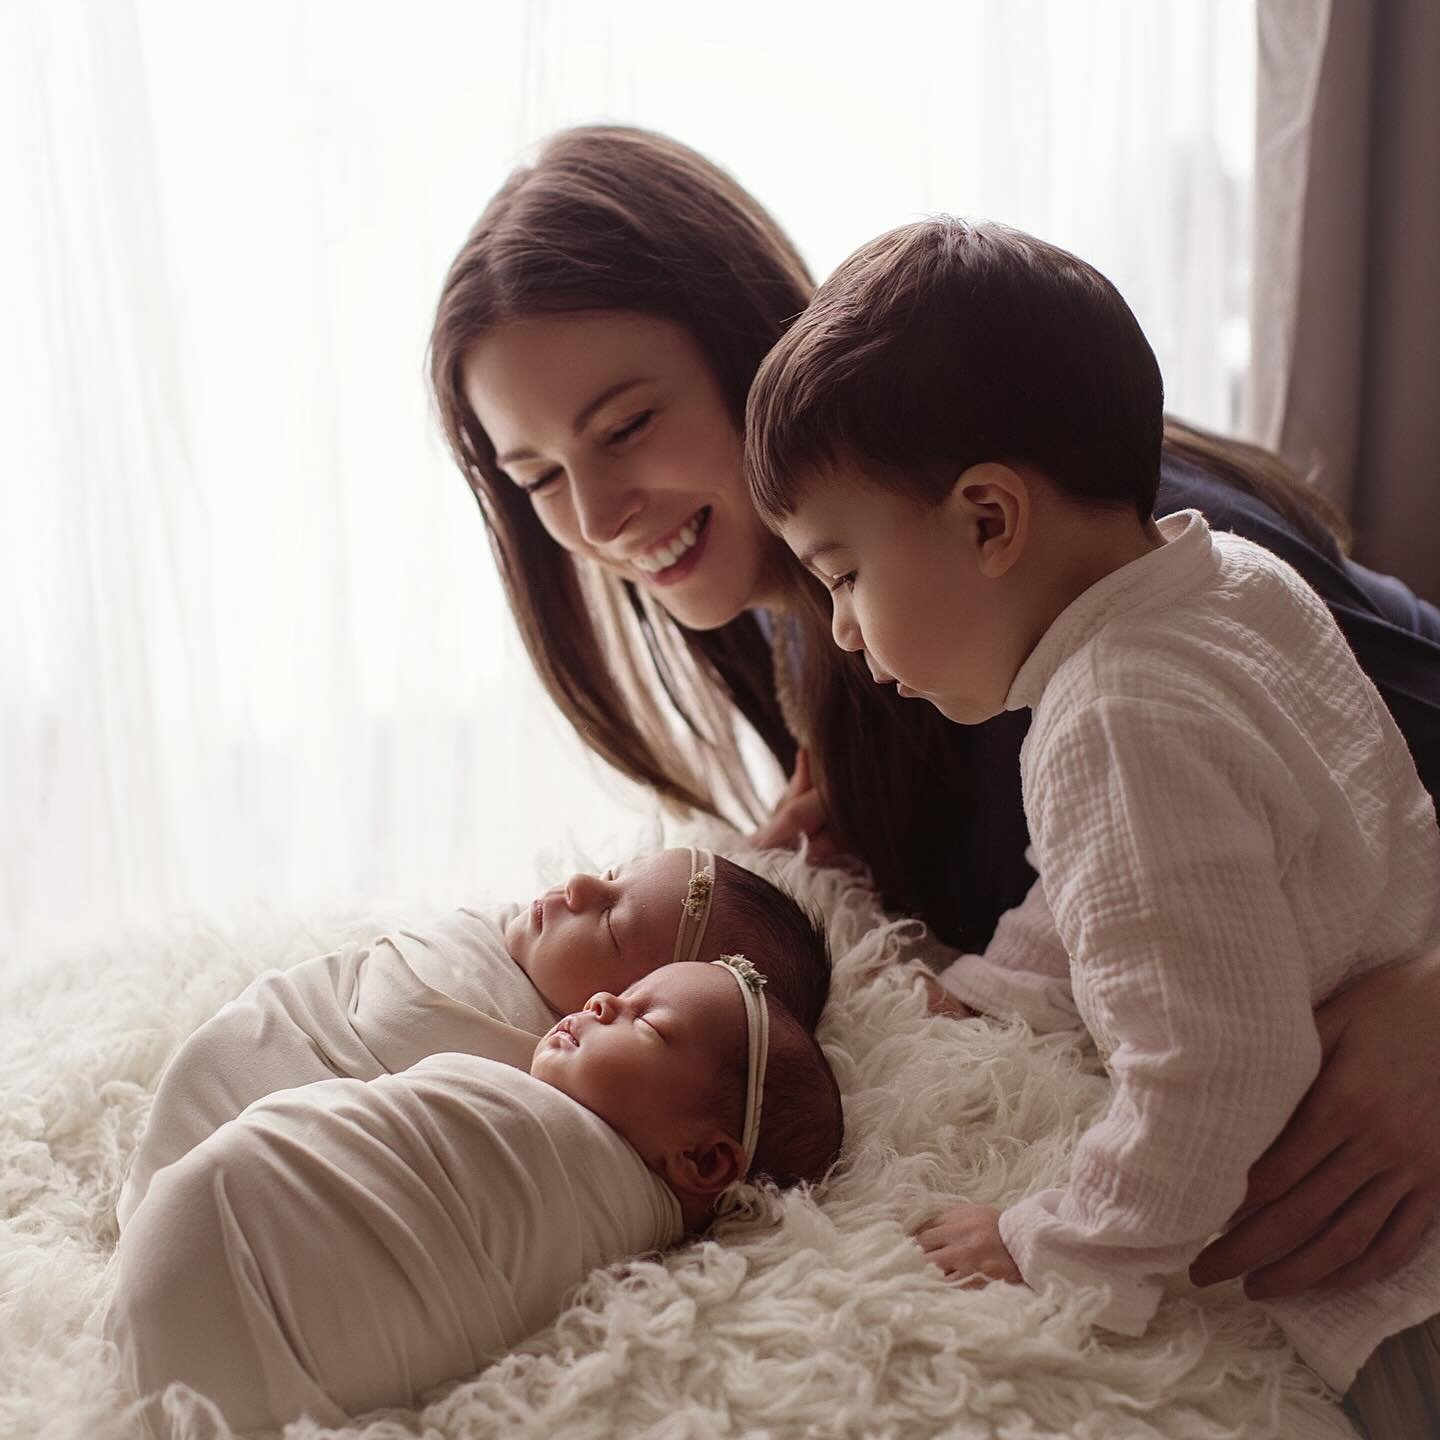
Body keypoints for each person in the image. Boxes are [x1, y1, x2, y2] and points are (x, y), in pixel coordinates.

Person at [428, 123, 1440, 1307]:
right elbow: (1110, 887)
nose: (596, 515)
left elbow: (1330, 825)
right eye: (539, 477)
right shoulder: (824, 626)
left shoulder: (1124, 585)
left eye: (625, 427)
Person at [743, 214, 1440, 1429]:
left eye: (845, 573)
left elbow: (1219, 1070)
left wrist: (1053, 1241)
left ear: (989, 521)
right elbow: (1154, 879)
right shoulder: (1227, 583)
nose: (842, 632)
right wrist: (1002, 980)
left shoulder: (1107, 718)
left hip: (1385, 1271)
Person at [108, 953, 842, 1431]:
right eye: (619, 990)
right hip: (214, 1244)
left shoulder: (595, 1195)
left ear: (707, 1163)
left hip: (201, 1247)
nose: (598, 1000)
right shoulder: (556, 1149)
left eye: (644, 1019)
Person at [115, 845, 829, 1227]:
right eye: (612, 873)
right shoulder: (488, 941)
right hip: (234, 1069)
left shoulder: (551, 1084)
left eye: (610, 925)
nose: (579, 886)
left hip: (232, 1174)